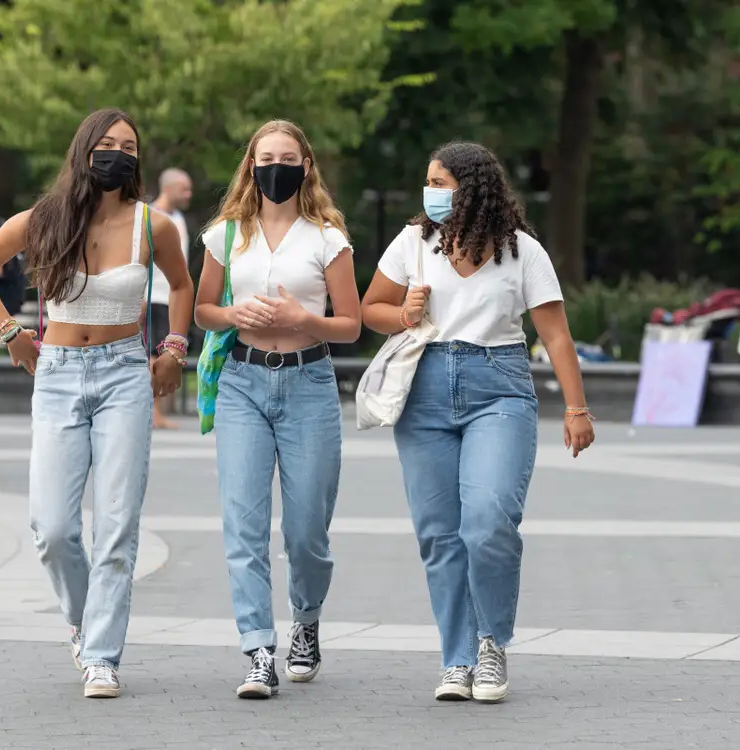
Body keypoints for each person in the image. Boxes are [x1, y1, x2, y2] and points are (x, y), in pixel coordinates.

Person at [0, 108, 193, 699]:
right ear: (85, 151)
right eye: (108, 144)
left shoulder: (153, 224)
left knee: (116, 524)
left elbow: (182, 286)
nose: (120, 153)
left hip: (123, 376)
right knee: (54, 528)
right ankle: (84, 621)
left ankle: (102, 656)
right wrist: (11, 332)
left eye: (130, 146)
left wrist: (173, 346)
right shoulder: (45, 219)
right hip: (59, 374)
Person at [360, 141, 595, 704]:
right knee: (440, 534)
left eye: (440, 182)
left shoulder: (524, 253)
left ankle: (492, 642)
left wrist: (577, 408)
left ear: (473, 188)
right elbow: (371, 309)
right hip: (425, 392)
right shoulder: (414, 243)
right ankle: (457, 660)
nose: (430, 193)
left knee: (488, 521)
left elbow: (555, 335)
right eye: (428, 182)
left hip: (501, 388)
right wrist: (404, 313)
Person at [194, 120, 361, 699]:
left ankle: (306, 619)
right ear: (250, 164)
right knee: (243, 524)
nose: (276, 167)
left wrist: (302, 321)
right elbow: (203, 311)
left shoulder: (327, 239)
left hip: (309, 384)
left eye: (287, 157)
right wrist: (234, 316)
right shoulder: (226, 234)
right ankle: (258, 648)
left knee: (307, 530)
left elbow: (351, 325)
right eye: (266, 157)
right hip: (242, 382)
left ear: (306, 166)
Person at [148, 167, 193, 429]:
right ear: (168, 188)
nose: (188, 193)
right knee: (153, 355)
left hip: (171, 297)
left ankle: (156, 410)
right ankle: (152, 411)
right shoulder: (150, 217)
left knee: (163, 352)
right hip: (153, 296)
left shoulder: (179, 219)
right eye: (183, 188)